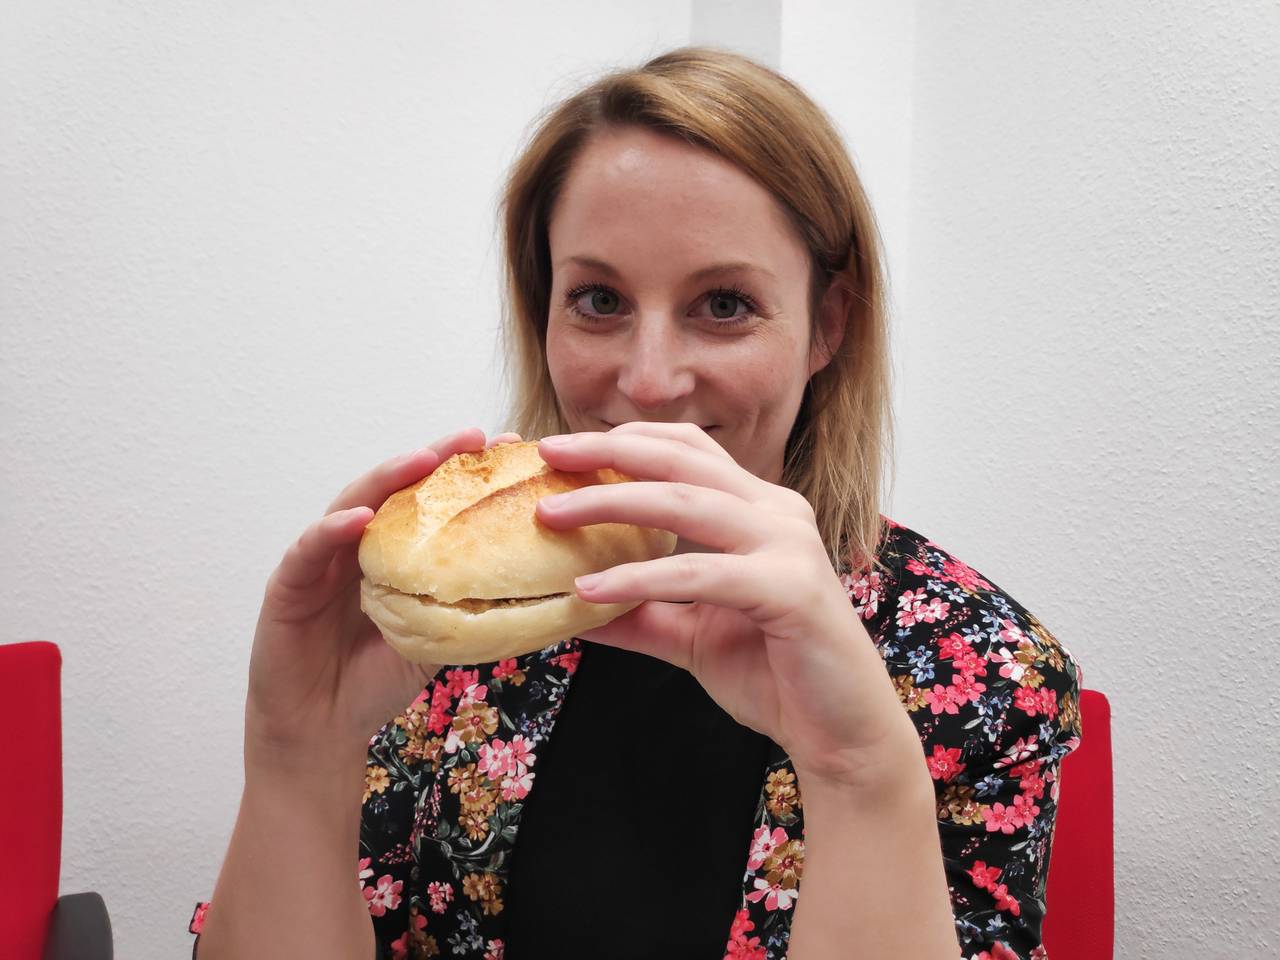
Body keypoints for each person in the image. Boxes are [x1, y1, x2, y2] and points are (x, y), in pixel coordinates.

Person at [189, 47, 1081, 960]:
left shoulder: (983, 667)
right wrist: (296, 751)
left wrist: (860, 775)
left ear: (828, 324)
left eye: (724, 304)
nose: (650, 381)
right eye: (599, 298)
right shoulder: (457, 623)